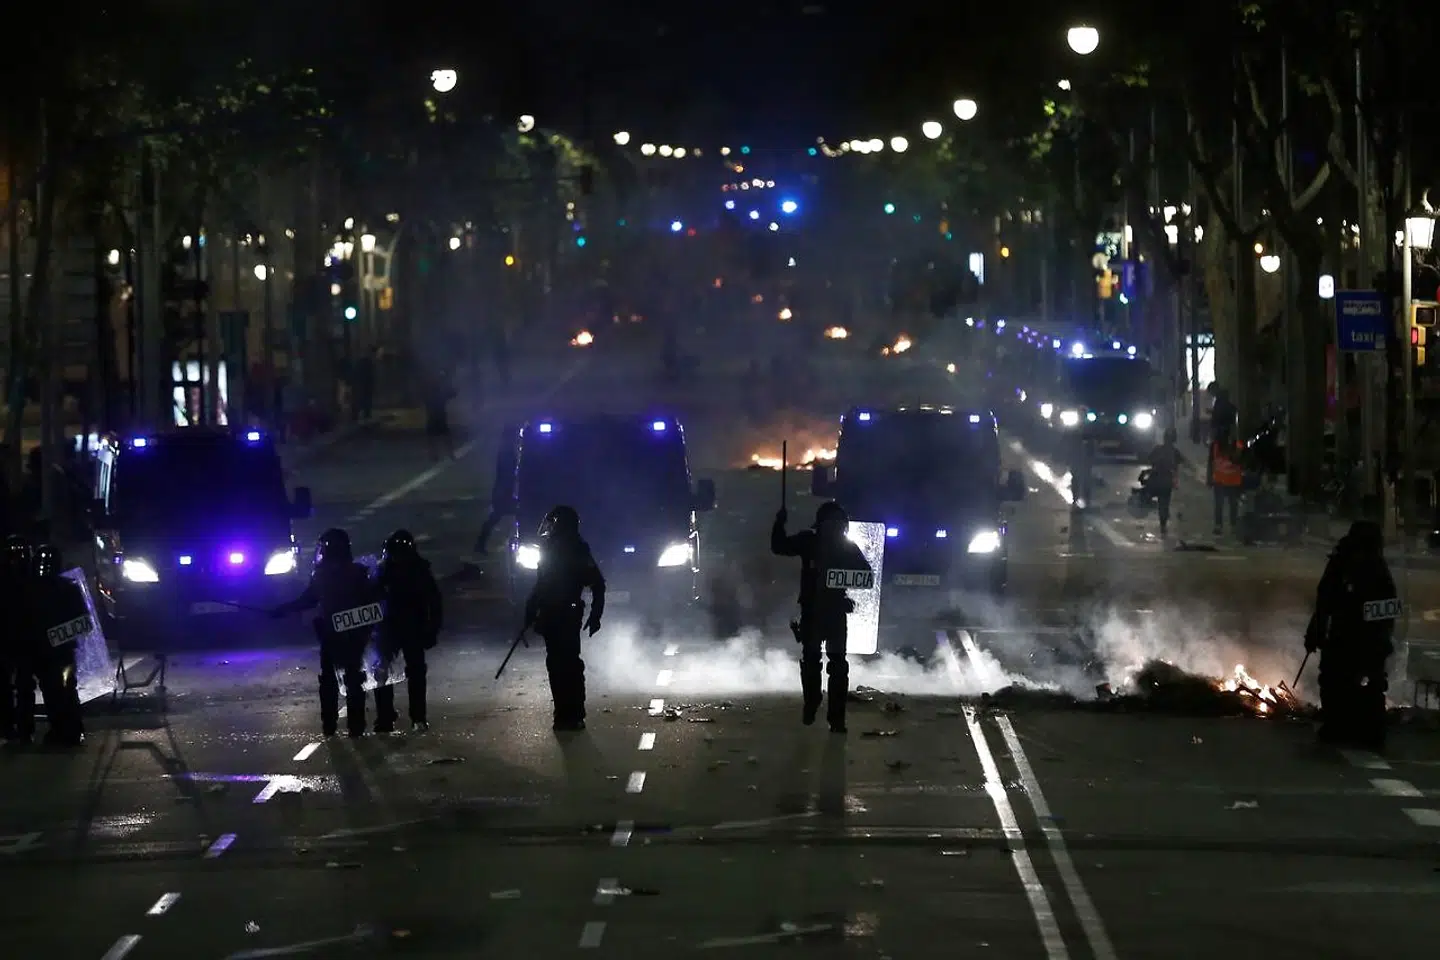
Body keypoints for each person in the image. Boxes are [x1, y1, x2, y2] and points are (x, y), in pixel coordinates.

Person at [772, 501, 873, 733]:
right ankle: (831, 717)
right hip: (828, 614)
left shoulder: (811, 542)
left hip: (820, 613)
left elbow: (864, 576)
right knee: (832, 665)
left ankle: (817, 708)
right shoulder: (840, 546)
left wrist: (779, 523)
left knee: (817, 663)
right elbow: (865, 576)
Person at [270, 529, 378, 738]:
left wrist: (282, 609)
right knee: (354, 678)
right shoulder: (359, 572)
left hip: (331, 635)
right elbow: (372, 602)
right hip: (354, 636)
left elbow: (307, 600)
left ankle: (329, 725)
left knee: (329, 680)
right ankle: (356, 726)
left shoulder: (322, 576)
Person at [1304, 521, 1397, 749]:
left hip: (1358, 637)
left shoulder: (1368, 568)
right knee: (1341, 681)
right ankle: (1344, 727)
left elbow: (1386, 612)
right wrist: (1316, 631)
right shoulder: (1348, 565)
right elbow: (1325, 601)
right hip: (1347, 635)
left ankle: (1354, 728)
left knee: (1360, 683)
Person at [523, 505, 605, 731]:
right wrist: (530, 611)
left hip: (567, 614)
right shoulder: (549, 548)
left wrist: (595, 615)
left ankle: (574, 713)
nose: (550, 527)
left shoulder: (578, 550)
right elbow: (541, 585)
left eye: (554, 522)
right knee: (557, 664)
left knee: (568, 664)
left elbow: (598, 584)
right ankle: (563, 713)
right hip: (551, 614)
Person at [373, 529, 443, 734]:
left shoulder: (388, 571)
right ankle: (409, 718)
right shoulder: (416, 570)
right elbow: (435, 603)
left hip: (400, 629)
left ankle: (390, 718)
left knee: (390, 672)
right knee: (400, 673)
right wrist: (432, 629)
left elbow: (434, 602)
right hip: (401, 629)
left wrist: (432, 628)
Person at [24, 543, 88, 746]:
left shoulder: (44, 588)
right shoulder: (38, 588)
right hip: (51, 651)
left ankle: (67, 729)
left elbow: (82, 621)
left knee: (61, 690)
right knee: (58, 690)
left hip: (57, 652)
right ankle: (64, 729)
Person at [0, 536, 32, 742]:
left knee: (21, 685)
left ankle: (19, 727)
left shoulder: (30, 580)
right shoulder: (19, 579)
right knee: (12, 685)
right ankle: (14, 726)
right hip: (12, 638)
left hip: (22, 638)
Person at [475, 423, 520, 554]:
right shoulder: (506, 452)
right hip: (503, 491)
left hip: (504, 490)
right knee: (498, 517)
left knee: (495, 518)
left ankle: (480, 544)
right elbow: (507, 473)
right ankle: (480, 544)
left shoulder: (506, 450)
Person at [1146, 427, 1184, 538]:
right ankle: (1163, 521)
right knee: (1164, 501)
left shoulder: (1158, 449)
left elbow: (1149, 458)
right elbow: (1182, 462)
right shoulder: (1175, 451)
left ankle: (1163, 519)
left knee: (1161, 501)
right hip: (1167, 481)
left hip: (1157, 479)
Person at [1210, 436, 1244, 537]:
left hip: (1230, 481)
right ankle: (1223, 526)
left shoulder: (1237, 444)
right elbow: (1212, 461)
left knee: (1230, 505)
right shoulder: (1216, 445)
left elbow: (1241, 459)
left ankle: (1228, 526)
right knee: (1223, 505)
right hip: (1223, 480)